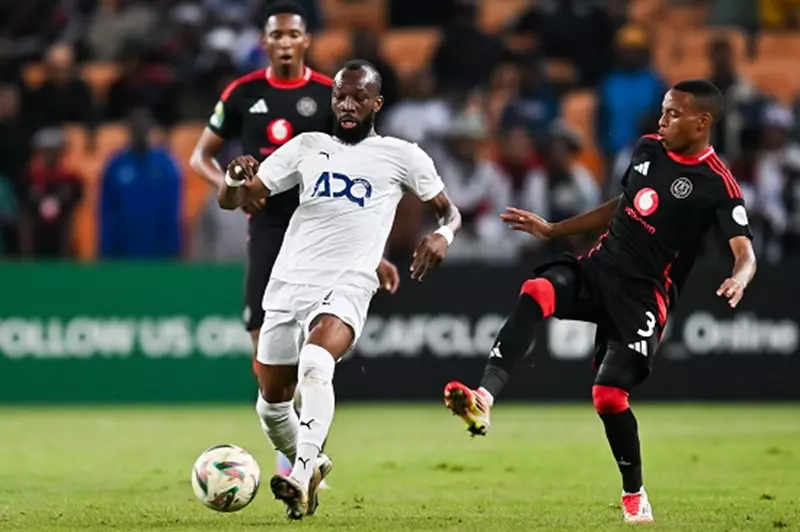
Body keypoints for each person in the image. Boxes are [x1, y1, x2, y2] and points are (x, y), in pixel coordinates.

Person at [443, 79, 757, 524]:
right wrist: (554, 229)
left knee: (608, 397)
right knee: (536, 290)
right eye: (663, 111)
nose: (662, 120)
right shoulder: (648, 148)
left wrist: (739, 277)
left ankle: (634, 493)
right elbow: (624, 203)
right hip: (599, 269)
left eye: (673, 114)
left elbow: (745, 250)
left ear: (702, 121)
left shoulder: (717, 184)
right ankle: (484, 398)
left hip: (644, 296)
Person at [218, 59, 460, 519]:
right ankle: (312, 465)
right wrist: (233, 179)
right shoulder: (307, 146)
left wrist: (442, 235)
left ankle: (299, 476)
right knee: (271, 406)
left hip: (348, 282)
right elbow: (235, 200)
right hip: (289, 281)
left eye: (358, 98)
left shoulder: (402, 156)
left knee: (315, 362)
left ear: (377, 103)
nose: (348, 105)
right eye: (340, 97)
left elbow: (450, 212)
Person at [189, 0, 400, 478]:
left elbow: (367, 170)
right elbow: (200, 157)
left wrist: (374, 251)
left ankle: (299, 464)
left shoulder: (332, 94)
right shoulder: (243, 92)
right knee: (267, 359)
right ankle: (302, 457)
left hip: (325, 232)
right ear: (264, 42)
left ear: (306, 40)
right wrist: (234, 186)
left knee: (313, 360)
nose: (284, 43)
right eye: (276, 35)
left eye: (292, 34)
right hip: (267, 231)